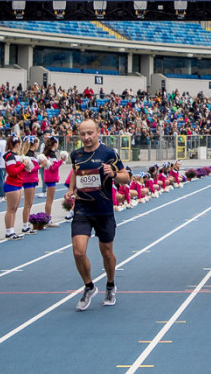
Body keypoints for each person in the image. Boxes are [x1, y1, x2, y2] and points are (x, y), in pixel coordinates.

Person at [67, 118, 130, 310]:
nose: (86, 137)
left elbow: (126, 177)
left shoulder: (109, 153)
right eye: (83, 134)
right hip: (82, 210)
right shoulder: (76, 155)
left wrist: (113, 174)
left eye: (90, 133)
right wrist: (70, 190)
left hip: (103, 211)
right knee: (78, 252)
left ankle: (110, 285)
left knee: (107, 252)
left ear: (97, 132)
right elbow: (75, 172)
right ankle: (89, 287)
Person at [1, 137, 25, 240]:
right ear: (17, 144)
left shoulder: (15, 156)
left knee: (14, 209)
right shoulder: (10, 156)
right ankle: (8, 231)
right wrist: (23, 165)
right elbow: (12, 172)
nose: (21, 145)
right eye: (20, 143)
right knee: (10, 209)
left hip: (18, 184)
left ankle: (12, 230)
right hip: (12, 184)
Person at [19, 135, 41, 234]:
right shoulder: (28, 155)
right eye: (37, 143)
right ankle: (25, 226)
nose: (38, 145)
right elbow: (29, 169)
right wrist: (41, 165)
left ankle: (26, 224)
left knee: (30, 203)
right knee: (27, 204)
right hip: (28, 179)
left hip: (33, 179)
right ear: (34, 144)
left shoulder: (33, 154)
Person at [41, 136, 65, 226]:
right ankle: (48, 219)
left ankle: (47, 219)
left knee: (49, 199)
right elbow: (53, 167)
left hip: (48, 177)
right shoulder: (52, 154)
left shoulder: (48, 153)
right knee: (49, 200)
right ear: (55, 144)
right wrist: (61, 161)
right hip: (51, 178)